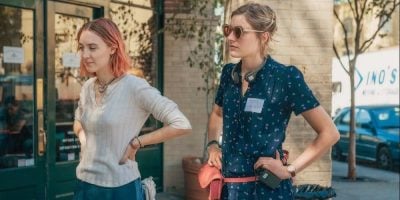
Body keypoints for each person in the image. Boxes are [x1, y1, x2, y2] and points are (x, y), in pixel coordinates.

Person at [206, 3, 340, 199]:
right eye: (228, 30)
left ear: (264, 36)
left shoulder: (285, 78)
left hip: (266, 192)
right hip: (229, 190)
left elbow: (330, 133)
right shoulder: (228, 73)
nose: (230, 37)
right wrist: (212, 145)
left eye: (238, 31)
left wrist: (290, 170)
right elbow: (217, 114)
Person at [72, 18, 192, 200]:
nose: (85, 54)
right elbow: (79, 121)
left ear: (112, 48)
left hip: (120, 188)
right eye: (82, 48)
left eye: (92, 47)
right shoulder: (88, 86)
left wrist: (137, 142)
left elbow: (182, 124)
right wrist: (85, 141)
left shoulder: (134, 87)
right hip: (84, 184)